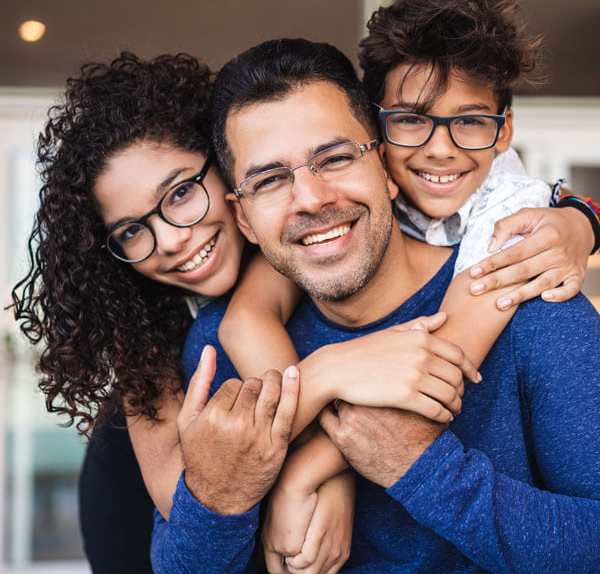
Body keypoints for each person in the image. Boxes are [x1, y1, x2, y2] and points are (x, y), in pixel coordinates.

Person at [151, 37, 600, 573]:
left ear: (385, 166)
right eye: (270, 180)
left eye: (336, 158)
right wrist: (222, 495)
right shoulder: (218, 347)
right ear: (243, 218)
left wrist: (423, 466)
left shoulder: (532, 299)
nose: (312, 199)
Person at [10, 52, 249, 573]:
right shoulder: (147, 370)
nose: (170, 240)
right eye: (132, 231)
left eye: (181, 193)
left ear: (227, 161)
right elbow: (188, 516)